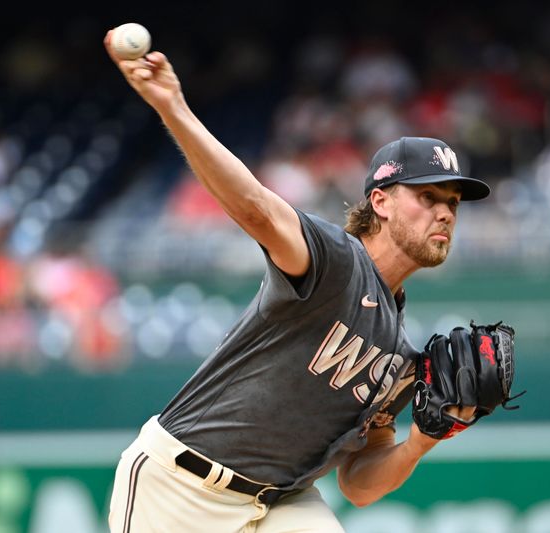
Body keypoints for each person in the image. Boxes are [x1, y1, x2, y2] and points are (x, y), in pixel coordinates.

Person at [104, 29, 491, 533]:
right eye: (428, 197)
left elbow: (359, 484)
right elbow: (257, 210)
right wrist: (174, 106)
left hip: (282, 501)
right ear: (381, 201)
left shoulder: (399, 352)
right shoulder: (334, 262)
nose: (444, 214)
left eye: (452, 204)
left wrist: (423, 439)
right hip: (181, 488)